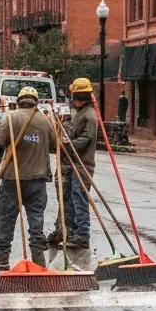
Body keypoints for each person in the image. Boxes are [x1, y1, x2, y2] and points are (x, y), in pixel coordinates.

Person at [0, 86, 57, 269]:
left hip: (12, 179)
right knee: (36, 221)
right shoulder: (45, 121)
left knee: (6, 219)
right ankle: (38, 260)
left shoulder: (12, 117)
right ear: (36, 102)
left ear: (19, 101)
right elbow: (55, 147)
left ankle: (1, 258)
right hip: (38, 180)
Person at [49, 78, 98, 249]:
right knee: (69, 198)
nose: (77, 100)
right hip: (72, 162)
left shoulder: (89, 115)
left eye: (80, 97)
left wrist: (67, 145)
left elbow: (86, 138)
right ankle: (69, 231)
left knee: (79, 198)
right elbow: (71, 130)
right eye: (76, 97)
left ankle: (82, 235)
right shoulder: (78, 112)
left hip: (82, 163)